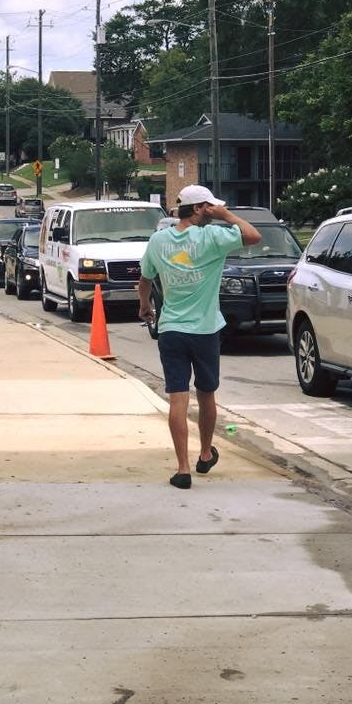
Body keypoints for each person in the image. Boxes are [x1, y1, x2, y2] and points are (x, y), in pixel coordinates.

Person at [138, 185, 261, 489]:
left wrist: (144, 306)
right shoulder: (212, 238)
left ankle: (182, 469)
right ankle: (205, 453)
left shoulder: (158, 241)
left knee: (177, 397)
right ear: (197, 209)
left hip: (171, 329)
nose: (213, 211)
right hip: (205, 330)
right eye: (209, 207)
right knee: (206, 394)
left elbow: (145, 279)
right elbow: (253, 236)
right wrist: (226, 215)